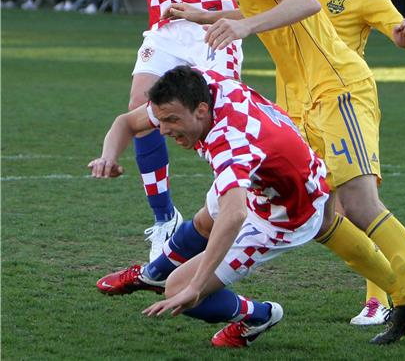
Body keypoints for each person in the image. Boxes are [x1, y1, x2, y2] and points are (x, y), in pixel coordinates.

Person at [164, 0, 405, 346]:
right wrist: (203, 15)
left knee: (360, 205)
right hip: (303, 103)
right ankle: (403, 299)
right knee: (322, 219)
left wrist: (241, 28)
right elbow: (262, 2)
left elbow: (303, 2)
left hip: (338, 88)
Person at [67, 0, 274, 261]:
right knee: (142, 108)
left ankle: (244, 207)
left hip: (215, 21)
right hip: (166, 26)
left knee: (218, 119)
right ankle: (165, 221)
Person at [88, 65, 329, 348]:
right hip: (260, 177)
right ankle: (152, 275)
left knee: (179, 289)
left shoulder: (230, 142)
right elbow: (127, 123)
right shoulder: (197, 88)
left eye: (171, 120)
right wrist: (108, 157)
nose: (163, 129)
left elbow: (235, 214)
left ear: (201, 110)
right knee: (203, 222)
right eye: (161, 120)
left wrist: (195, 286)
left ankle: (260, 315)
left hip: (284, 214)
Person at [296, 0, 405, 326]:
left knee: (358, 205)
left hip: (346, 105)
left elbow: (403, 34)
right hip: (295, 113)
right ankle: (394, 287)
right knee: (319, 214)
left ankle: (383, 296)